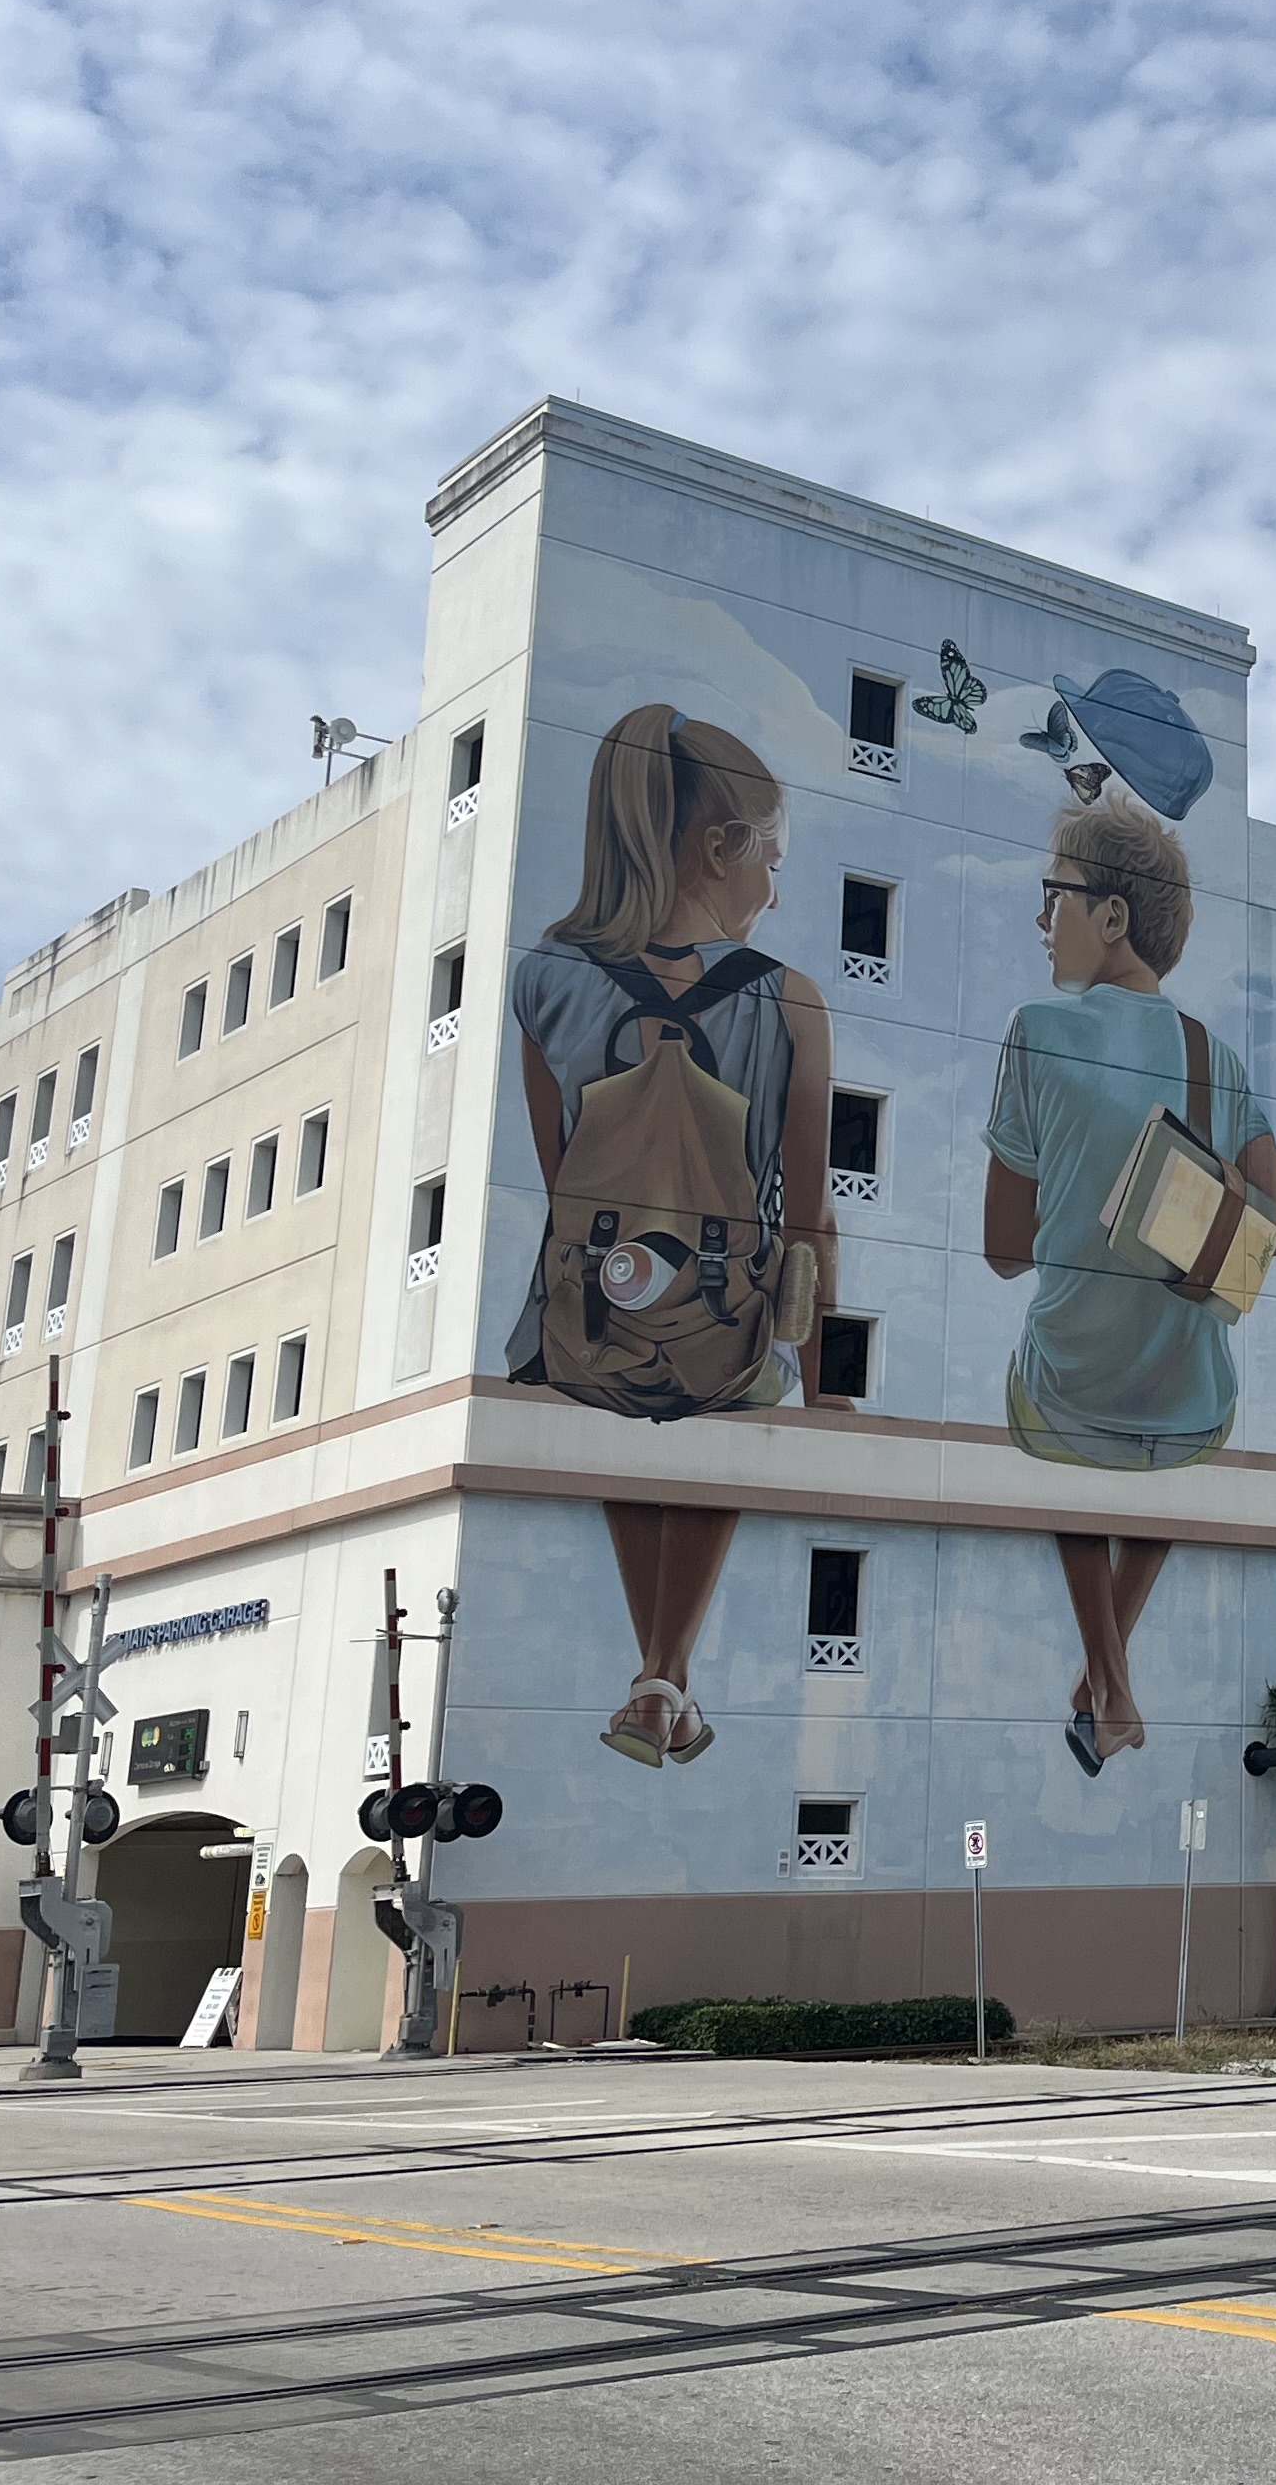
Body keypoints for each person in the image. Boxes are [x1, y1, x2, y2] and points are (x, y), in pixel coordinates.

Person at [507, 705, 844, 1770]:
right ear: (718, 848)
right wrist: (824, 1386)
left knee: (627, 1401)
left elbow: (559, 1180)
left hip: (585, 1326)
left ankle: (661, 1683)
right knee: (724, 1409)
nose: (774, 891)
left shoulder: (545, 977)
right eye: (771, 862)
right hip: (726, 1332)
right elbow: (809, 1215)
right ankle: (665, 1674)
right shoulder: (790, 1002)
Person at [985, 791, 1276, 1775]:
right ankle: (1106, 1689)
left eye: (1055, 896)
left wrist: (1082, 1204)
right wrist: (1204, 1201)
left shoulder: (1036, 1028)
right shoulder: (1215, 1056)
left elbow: (1002, 1248)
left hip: (1068, 1397)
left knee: (1065, 1431)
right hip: (1192, 1406)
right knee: (1162, 1444)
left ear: (1112, 916)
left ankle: (1110, 1687)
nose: (1042, 918)